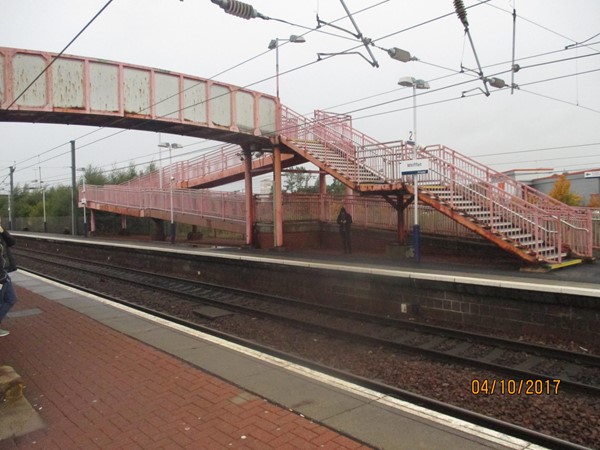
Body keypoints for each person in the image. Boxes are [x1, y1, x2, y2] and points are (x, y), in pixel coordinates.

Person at [0, 220, 18, 337]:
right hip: (1, 276)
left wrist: (2, 231)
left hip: (4, 273)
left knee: (11, 299)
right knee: (5, 300)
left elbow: (11, 242)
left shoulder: (1, 233)